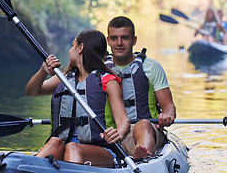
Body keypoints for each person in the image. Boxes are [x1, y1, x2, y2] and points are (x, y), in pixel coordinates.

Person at [25, 29, 130, 168]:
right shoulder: (65, 78)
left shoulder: (108, 81)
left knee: (73, 147)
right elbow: (32, 91)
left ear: (80, 48)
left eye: (72, 46)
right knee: (54, 142)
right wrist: (43, 71)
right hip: (66, 147)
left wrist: (118, 133)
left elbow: (124, 121)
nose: (69, 51)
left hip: (102, 152)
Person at [105, 16, 176, 159]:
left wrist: (167, 115)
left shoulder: (151, 67)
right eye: (114, 38)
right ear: (108, 41)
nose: (119, 43)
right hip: (111, 134)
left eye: (125, 38)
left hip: (147, 130)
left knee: (143, 125)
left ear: (134, 40)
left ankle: (142, 157)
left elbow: (168, 106)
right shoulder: (98, 69)